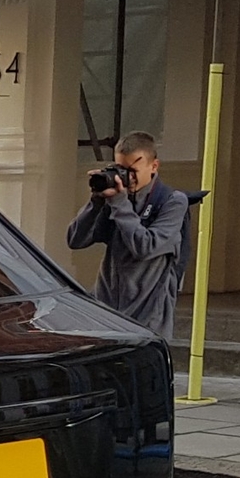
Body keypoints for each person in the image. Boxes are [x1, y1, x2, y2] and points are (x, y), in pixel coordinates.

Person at [64, 130, 190, 338]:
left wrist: (120, 205)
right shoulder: (118, 199)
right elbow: (75, 240)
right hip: (108, 311)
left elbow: (145, 247)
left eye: (133, 170)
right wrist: (96, 202)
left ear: (154, 166)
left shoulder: (172, 201)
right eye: (121, 169)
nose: (127, 178)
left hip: (148, 316)